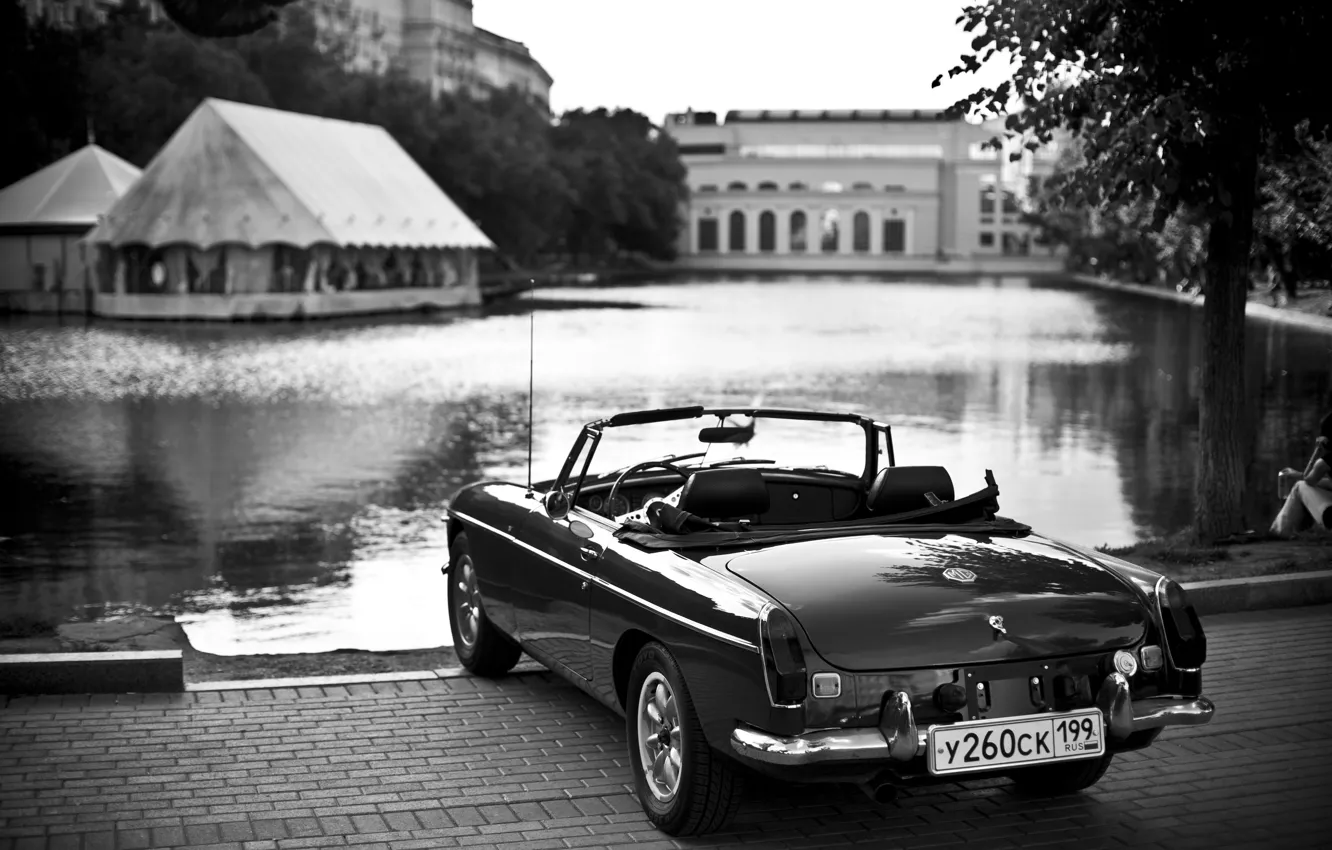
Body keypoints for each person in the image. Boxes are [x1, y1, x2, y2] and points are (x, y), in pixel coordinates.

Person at [1270, 412, 1332, 536]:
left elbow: (1308, 480)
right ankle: (1287, 532)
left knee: (1300, 486)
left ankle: (1277, 533)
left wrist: (1317, 450)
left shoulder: (1325, 462)